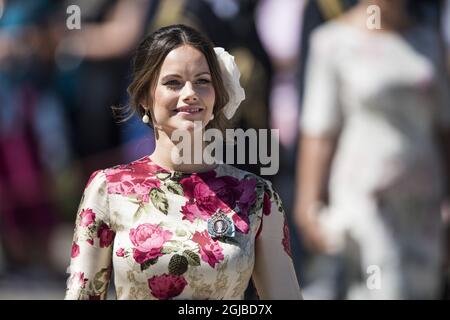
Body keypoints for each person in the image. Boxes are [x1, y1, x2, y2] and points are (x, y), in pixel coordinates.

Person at [64, 24, 302, 300]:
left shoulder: (258, 196)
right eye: (173, 83)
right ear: (144, 97)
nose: (190, 93)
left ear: (217, 96)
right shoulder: (108, 188)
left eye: (202, 81)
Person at [294, 0, 450, 299]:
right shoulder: (333, 41)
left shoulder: (428, 40)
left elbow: (444, 127)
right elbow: (319, 131)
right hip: (366, 201)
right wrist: (309, 202)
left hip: (423, 204)